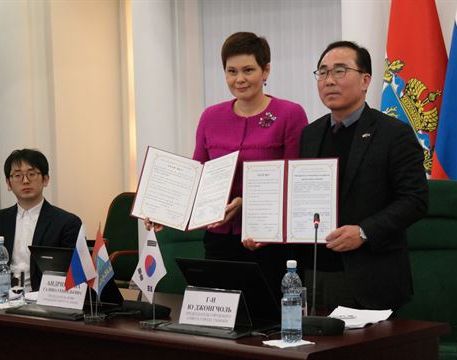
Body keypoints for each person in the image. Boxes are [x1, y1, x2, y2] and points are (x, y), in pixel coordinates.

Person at [147, 32, 308, 299]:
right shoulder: (211, 116)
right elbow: (195, 175)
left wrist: (247, 203)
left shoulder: (289, 114)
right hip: (219, 237)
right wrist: (162, 208)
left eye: (248, 70)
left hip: (267, 239)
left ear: (266, 70)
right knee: (219, 315)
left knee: (265, 320)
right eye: (231, 71)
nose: (239, 79)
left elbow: (295, 181)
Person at [296, 41, 428, 311]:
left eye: (340, 71)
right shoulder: (309, 134)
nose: (329, 80)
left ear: (366, 80)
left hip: (370, 277)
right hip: (314, 274)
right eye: (322, 72)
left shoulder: (394, 134)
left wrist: (365, 232)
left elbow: (415, 200)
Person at [0, 149, 82, 291]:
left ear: (45, 179)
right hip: (1, 298)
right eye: (17, 175)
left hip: (45, 300)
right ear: (8, 183)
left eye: (31, 174)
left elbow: (73, 274)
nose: (25, 180)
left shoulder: (67, 223)